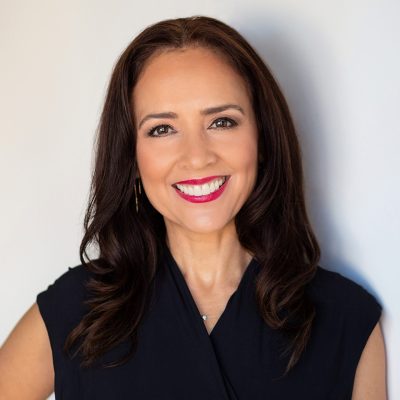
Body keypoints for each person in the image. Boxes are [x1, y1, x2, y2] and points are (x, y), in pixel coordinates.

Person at [0, 15, 386, 399]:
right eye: (162, 129)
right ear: (132, 160)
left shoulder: (345, 321)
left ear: (263, 138)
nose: (197, 157)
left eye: (221, 122)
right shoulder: (76, 311)